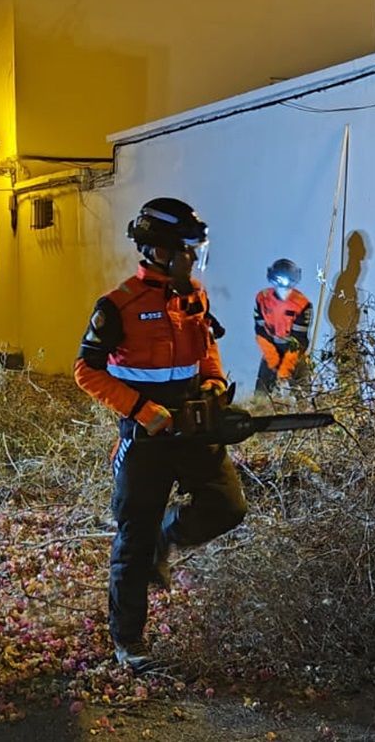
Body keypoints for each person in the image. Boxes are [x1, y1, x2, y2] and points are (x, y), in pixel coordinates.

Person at [74, 197, 248, 672]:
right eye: (187, 251)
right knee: (134, 537)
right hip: (146, 437)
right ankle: (128, 640)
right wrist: (139, 408)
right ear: (158, 251)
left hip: (193, 427)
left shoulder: (195, 296)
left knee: (227, 506)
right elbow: (85, 371)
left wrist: (213, 382)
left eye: (196, 251)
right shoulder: (118, 305)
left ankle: (167, 536)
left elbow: (206, 350)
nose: (194, 259)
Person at [253, 258, 312, 395]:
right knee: (261, 393)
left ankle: (307, 412)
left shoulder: (302, 304)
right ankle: (258, 413)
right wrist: (273, 359)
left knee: (303, 393)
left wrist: (285, 369)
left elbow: (299, 341)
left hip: (295, 352)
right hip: (271, 348)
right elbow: (261, 332)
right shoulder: (262, 299)